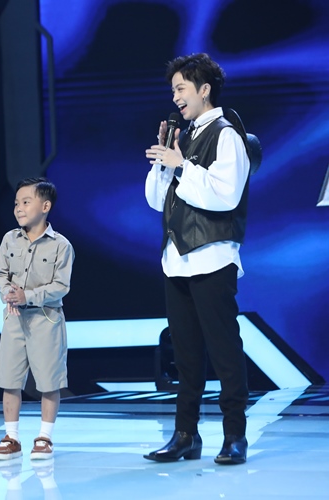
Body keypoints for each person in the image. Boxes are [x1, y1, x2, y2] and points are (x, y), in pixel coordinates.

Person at [143, 53, 250, 465]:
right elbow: (157, 202)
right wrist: (164, 163)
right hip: (176, 260)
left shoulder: (227, 135)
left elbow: (225, 195)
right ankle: (185, 435)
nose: (175, 97)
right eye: (173, 90)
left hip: (212, 257)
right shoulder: (182, 137)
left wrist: (182, 165)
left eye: (181, 88)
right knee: (185, 354)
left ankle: (235, 435)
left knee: (224, 350)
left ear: (204, 90)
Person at [0, 177, 74, 462]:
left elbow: (61, 286)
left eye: (26, 202)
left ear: (45, 206)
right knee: (9, 379)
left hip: (46, 320)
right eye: (16, 203)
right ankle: (11, 437)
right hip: (14, 319)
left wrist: (27, 296)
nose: (19, 208)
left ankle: (45, 437)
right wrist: (8, 293)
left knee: (49, 381)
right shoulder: (9, 239)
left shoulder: (61, 245)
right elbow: (0, 274)